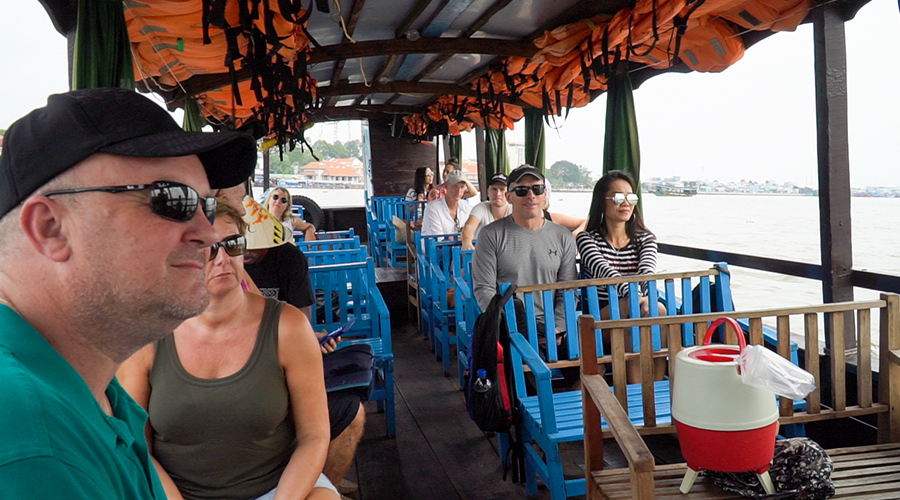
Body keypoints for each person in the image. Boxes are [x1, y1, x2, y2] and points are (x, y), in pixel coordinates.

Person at [0, 87, 256, 498]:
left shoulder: (92, 388)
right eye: (171, 199)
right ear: (51, 228)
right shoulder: (30, 443)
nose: (209, 234)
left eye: (206, 205)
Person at [117, 201, 339, 500]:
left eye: (232, 244)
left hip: (276, 488)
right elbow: (137, 445)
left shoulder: (288, 327)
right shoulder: (147, 335)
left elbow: (314, 436)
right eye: (206, 248)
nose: (223, 258)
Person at [242, 197, 365, 497]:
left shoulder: (288, 259)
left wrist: (309, 342)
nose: (243, 254)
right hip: (257, 376)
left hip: (283, 359)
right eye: (236, 246)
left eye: (251, 247)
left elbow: (301, 320)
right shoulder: (226, 274)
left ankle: (323, 478)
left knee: (353, 396)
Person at [576, 169, 667, 383]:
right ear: (602, 201)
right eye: (618, 197)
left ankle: (655, 388)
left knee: (656, 310)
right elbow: (607, 274)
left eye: (631, 197)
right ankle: (637, 389)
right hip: (602, 317)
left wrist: (640, 298)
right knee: (633, 309)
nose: (626, 203)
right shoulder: (587, 239)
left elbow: (647, 272)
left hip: (639, 309)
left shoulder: (646, 238)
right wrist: (635, 297)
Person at [472, 165, 577, 342]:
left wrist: (558, 329)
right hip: (509, 326)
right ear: (509, 197)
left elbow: (568, 289)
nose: (531, 195)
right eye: (521, 190)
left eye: (537, 189)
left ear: (545, 194)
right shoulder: (490, 235)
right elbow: (484, 289)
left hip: (551, 327)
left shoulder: (563, 236)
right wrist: (509, 325)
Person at [461, 172, 512, 250]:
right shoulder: (481, 208)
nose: (498, 194)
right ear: (488, 192)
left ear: (509, 194)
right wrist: (467, 242)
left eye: (502, 190)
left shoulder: (514, 210)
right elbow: (469, 227)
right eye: (494, 189)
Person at [421, 170, 474, 236]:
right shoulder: (432, 208)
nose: (459, 191)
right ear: (446, 186)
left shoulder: (466, 207)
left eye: (462, 187)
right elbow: (437, 238)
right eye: (455, 186)